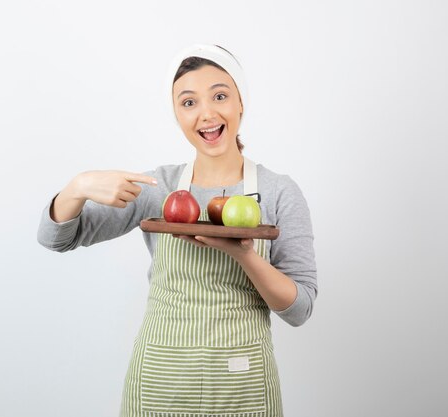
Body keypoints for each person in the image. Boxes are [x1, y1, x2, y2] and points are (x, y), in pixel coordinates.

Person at [38, 44, 317, 417]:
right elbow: (56, 238)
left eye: (220, 95)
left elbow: (299, 309)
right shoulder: (159, 188)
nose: (206, 114)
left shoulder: (280, 191)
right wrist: (79, 185)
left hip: (241, 381)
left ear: (240, 103)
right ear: (176, 114)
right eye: (188, 102)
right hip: (159, 381)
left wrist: (245, 255)